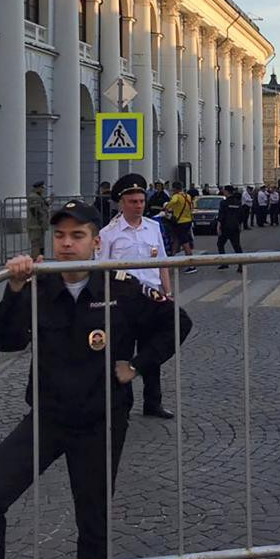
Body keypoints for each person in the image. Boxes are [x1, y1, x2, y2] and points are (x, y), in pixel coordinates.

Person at [0, 200, 193, 559]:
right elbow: (5, 341)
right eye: (59, 235)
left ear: (96, 241)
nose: (66, 244)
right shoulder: (40, 284)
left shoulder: (122, 286)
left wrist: (138, 365)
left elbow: (177, 323)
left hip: (100, 421)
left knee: (93, 520)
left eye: (76, 235)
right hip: (47, 418)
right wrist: (14, 288)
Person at [97, 174, 178, 420]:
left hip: (152, 300)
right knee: (121, 353)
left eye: (142, 200)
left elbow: (163, 262)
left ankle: (153, 403)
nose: (139, 205)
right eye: (133, 201)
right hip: (123, 303)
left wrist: (168, 292)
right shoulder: (108, 233)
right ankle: (123, 405)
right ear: (122, 203)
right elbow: (100, 271)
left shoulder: (154, 227)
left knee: (152, 353)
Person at [163, 182, 198, 275]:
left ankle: (191, 264)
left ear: (175, 189)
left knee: (184, 242)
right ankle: (172, 259)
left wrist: (166, 207)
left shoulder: (176, 196)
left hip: (180, 222)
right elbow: (192, 206)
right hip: (188, 220)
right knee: (177, 239)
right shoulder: (188, 196)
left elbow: (172, 202)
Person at [216, 185, 245, 272]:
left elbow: (221, 215)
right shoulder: (238, 202)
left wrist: (218, 226)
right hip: (235, 227)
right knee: (237, 247)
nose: (223, 191)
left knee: (220, 244)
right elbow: (241, 215)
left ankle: (224, 262)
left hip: (225, 227)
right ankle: (240, 265)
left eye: (224, 190)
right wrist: (239, 224)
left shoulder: (224, 203)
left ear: (227, 192)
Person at [26, 181, 49, 258]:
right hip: (35, 225)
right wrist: (41, 221)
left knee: (40, 244)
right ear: (37, 188)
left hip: (39, 225)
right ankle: (35, 261)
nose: (43, 190)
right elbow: (35, 211)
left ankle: (40, 259)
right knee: (36, 243)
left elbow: (44, 206)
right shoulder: (34, 196)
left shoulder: (38, 196)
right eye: (42, 188)